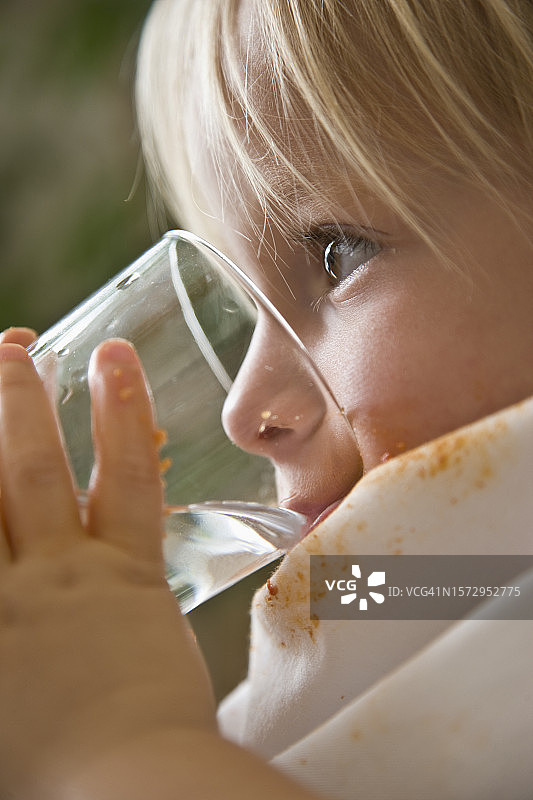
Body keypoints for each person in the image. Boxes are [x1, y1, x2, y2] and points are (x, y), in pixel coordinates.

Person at [0, 0, 532, 797]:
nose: (242, 411)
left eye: (336, 251)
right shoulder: (422, 587)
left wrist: (115, 736)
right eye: (248, 316)